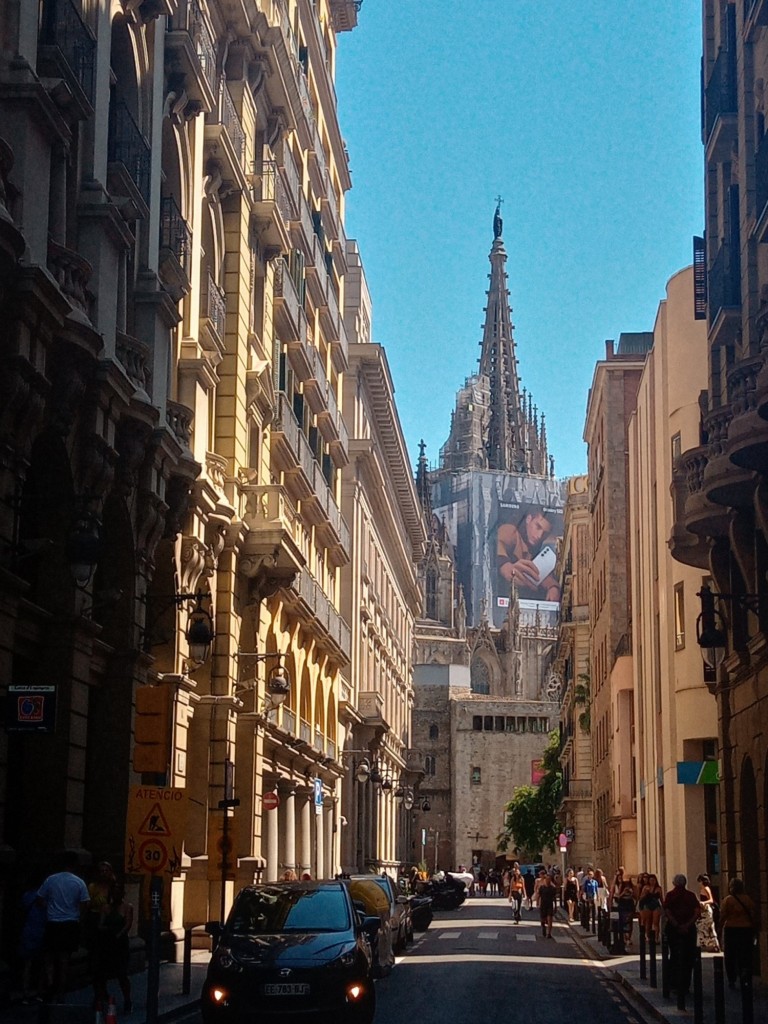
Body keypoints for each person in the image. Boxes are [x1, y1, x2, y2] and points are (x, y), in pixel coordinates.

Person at [37, 851, 90, 1002]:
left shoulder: (51, 880)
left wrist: (50, 907)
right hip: (70, 923)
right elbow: (85, 903)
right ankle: (61, 991)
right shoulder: (79, 882)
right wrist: (78, 916)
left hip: (53, 922)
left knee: (49, 957)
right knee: (64, 959)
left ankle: (49, 984)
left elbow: (40, 899)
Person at [496, 511, 561, 602]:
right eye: (538, 527)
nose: (539, 536)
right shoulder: (512, 532)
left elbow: (542, 574)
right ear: (528, 519)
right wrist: (504, 565)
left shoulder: (536, 551)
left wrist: (553, 587)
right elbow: (497, 542)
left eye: (545, 533)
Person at [92, 884, 133, 1013]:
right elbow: (100, 924)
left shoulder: (127, 907)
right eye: (113, 893)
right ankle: (102, 996)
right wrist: (109, 931)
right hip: (108, 943)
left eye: (118, 893)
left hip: (120, 944)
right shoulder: (106, 908)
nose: (115, 896)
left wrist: (118, 934)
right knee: (101, 973)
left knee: (122, 974)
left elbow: (128, 924)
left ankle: (127, 1000)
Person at [663, 874, 701, 996]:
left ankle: (674, 983)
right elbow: (697, 912)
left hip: (673, 929)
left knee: (674, 955)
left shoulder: (670, 895)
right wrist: (687, 925)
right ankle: (685, 984)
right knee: (688, 957)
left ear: (674, 883)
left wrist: (677, 925)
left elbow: (667, 911)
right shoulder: (691, 895)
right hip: (689, 930)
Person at [719, 878, 758, 990]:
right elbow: (753, 914)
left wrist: (719, 928)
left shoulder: (728, 900)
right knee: (745, 954)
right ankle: (744, 975)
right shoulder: (748, 899)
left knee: (730, 954)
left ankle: (731, 978)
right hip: (746, 929)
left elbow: (723, 916)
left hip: (731, 929)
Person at [19, 873, 47, 1003]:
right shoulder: (45, 896)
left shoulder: (26, 895)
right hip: (42, 930)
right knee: (41, 964)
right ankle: (39, 992)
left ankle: (25, 991)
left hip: (28, 930)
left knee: (27, 964)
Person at [696, 873, 720, 952]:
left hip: (706, 911)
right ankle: (707, 944)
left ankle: (713, 944)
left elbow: (711, 900)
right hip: (704, 911)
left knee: (706, 927)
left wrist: (704, 902)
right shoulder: (703, 889)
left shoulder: (706, 888)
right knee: (703, 928)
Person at [637, 873, 664, 943]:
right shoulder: (645, 887)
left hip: (656, 905)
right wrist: (645, 893)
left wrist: (664, 906)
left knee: (656, 922)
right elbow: (641, 898)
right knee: (648, 922)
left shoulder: (659, 888)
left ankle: (656, 937)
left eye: (653, 880)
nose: (652, 882)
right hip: (647, 905)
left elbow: (661, 898)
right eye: (651, 880)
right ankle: (648, 936)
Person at [537, 871, 557, 939]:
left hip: (550, 905)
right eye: (547, 879)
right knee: (543, 919)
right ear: (545, 879)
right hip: (543, 905)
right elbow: (538, 895)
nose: (548, 880)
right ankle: (543, 927)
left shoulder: (553, 888)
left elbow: (554, 898)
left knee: (550, 919)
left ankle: (549, 933)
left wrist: (555, 906)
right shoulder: (542, 887)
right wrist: (537, 903)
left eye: (549, 879)